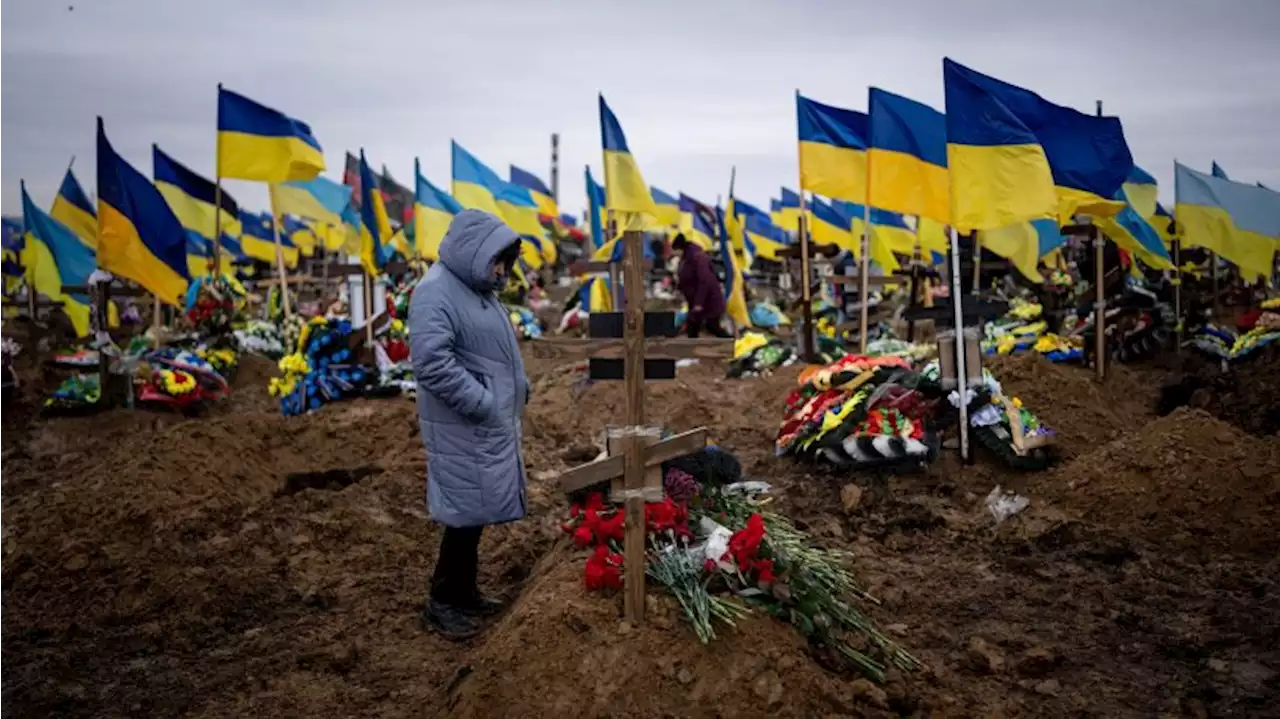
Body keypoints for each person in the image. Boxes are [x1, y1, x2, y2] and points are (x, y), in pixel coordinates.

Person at [408, 210, 530, 640]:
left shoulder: (476, 289)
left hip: (480, 424)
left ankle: (464, 591)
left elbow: (490, 353)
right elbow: (431, 364)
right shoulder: (436, 292)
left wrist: (517, 389)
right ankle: (442, 601)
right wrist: (482, 403)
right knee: (462, 515)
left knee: (472, 513)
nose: (502, 272)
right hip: (462, 424)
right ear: (476, 252)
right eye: (499, 261)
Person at [671, 233, 731, 338]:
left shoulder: (698, 257)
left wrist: (699, 303)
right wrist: (678, 289)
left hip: (709, 301)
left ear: (680, 248)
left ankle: (731, 345)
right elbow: (685, 278)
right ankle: (692, 351)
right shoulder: (685, 259)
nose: (675, 254)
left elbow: (705, 281)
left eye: (675, 251)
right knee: (692, 327)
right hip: (696, 302)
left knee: (712, 326)